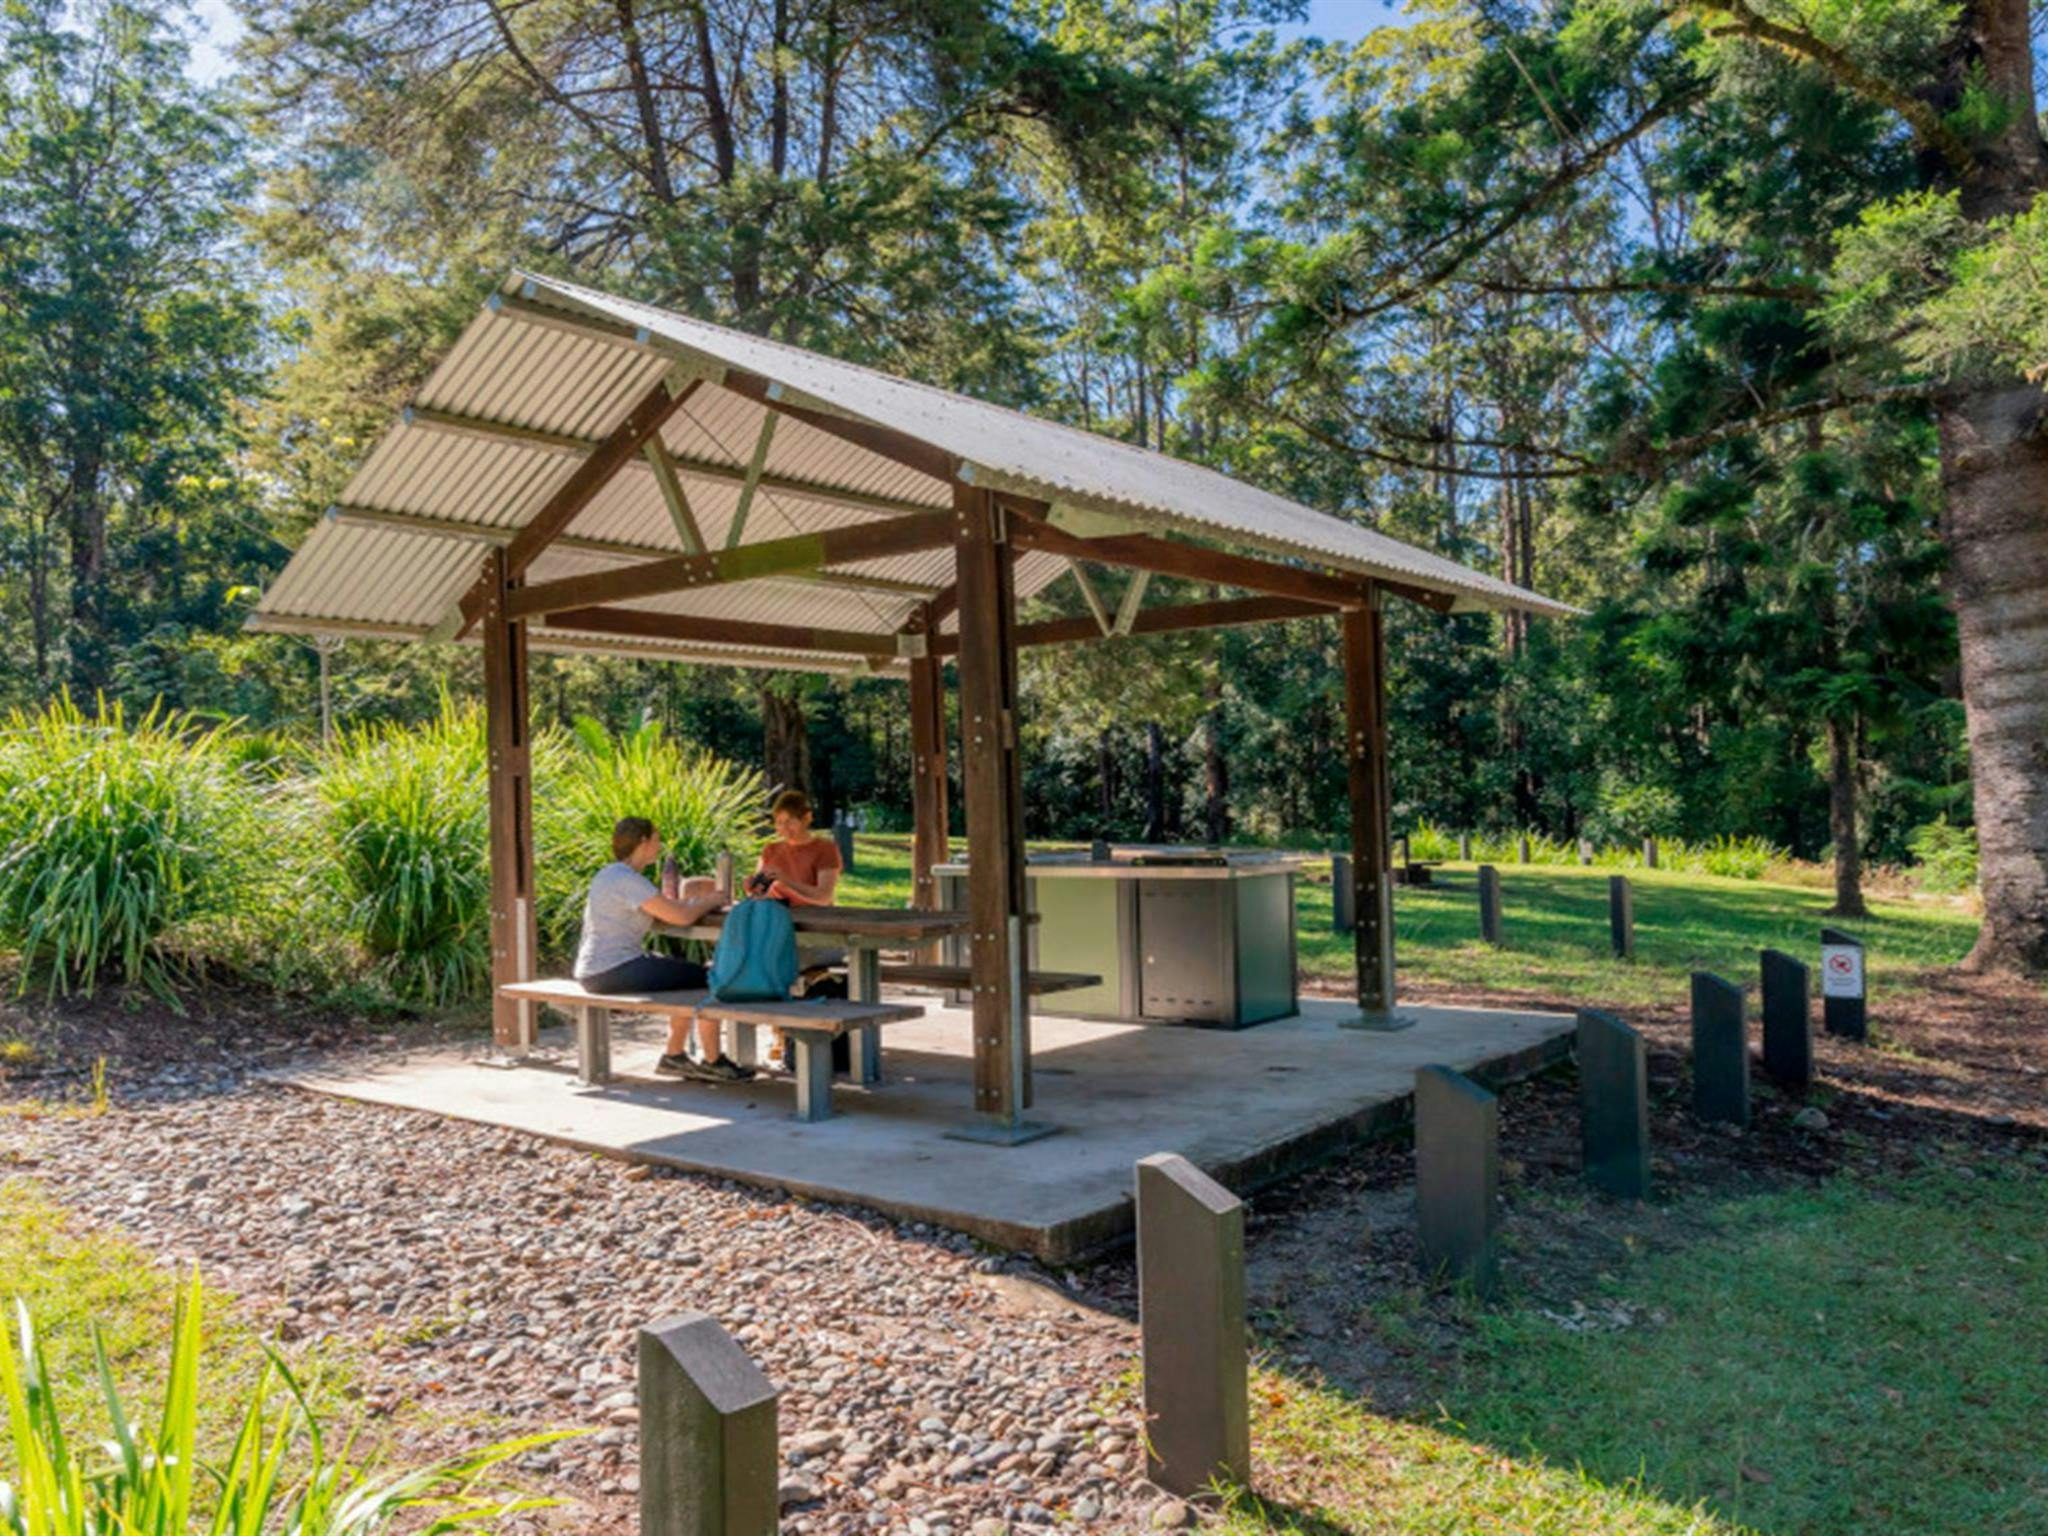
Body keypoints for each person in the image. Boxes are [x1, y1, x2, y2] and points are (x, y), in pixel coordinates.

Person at [574, 816, 752, 1082]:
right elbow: (681, 918)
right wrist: (713, 899)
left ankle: (675, 1056)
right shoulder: (627, 879)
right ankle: (713, 1061)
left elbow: (663, 911)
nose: (659, 846)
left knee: (675, 973)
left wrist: (691, 904)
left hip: (596, 969)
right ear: (643, 842)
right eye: (656, 839)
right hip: (613, 968)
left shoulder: (609, 874)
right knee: (710, 978)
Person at [749, 789, 842, 905]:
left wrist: (785, 881)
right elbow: (758, 894)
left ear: (807, 818)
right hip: (774, 916)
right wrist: (751, 886)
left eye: (790, 822)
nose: (784, 827)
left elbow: (823, 897)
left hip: (813, 918)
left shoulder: (826, 849)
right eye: (779, 822)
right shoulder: (770, 850)